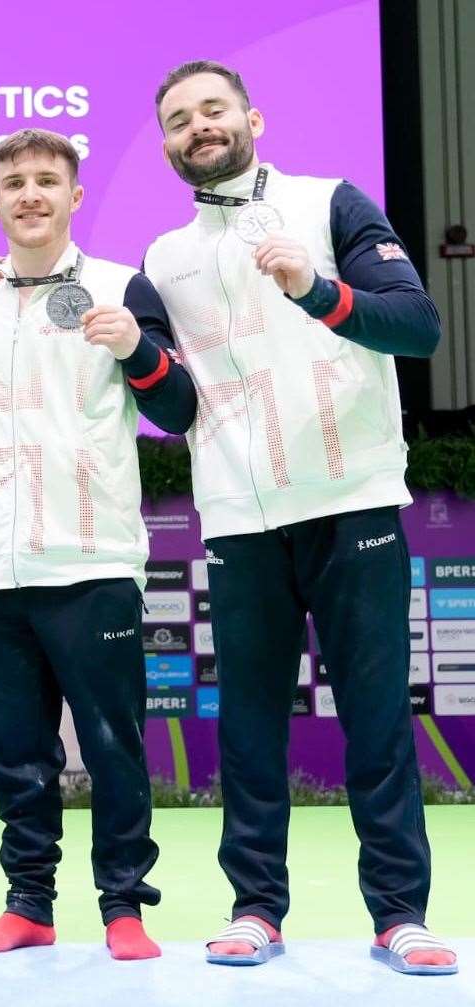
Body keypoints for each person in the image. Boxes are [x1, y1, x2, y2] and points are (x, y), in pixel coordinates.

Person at [147, 60, 454, 975]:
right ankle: (255, 908)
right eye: (178, 120)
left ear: (252, 117)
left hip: (352, 497)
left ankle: (400, 913)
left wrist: (319, 290)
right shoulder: (165, 258)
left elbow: (417, 325)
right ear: (166, 145)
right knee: (247, 722)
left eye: (213, 109)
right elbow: (170, 402)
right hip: (240, 515)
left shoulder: (332, 203)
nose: (199, 127)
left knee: (373, 718)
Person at [0, 128, 195, 961]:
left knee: (115, 744)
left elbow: (178, 406)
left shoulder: (124, 287)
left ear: (75, 195)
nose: (30, 195)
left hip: (93, 559)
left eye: (47, 180)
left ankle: (124, 905)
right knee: (17, 755)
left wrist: (136, 347)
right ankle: (30, 905)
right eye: (13, 183)